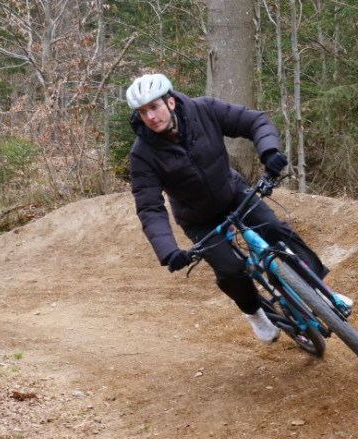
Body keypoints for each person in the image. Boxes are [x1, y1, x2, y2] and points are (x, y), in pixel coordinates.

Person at [126, 73, 338, 343]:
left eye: (154, 107)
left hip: (233, 193)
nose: (150, 116)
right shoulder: (142, 154)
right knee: (230, 270)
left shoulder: (203, 110)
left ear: (170, 102)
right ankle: (255, 312)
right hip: (198, 218)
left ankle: (320, 290)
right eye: (143, 112)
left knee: (275, 229)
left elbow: (254, 121)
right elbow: (149, 207)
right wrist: (168, 252)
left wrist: (269, 152)